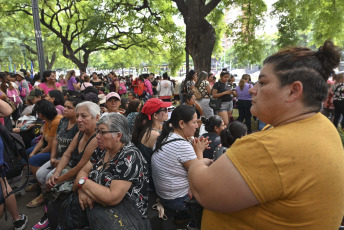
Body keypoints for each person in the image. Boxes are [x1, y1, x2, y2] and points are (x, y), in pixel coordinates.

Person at [187, 40, 344, 229]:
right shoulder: (322, 126)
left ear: (293, 91)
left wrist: (198, 164)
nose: (252, 89)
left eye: (262, 82)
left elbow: (204, 191)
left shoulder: (270, 147)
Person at [70, 113, 149, 229]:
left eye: (102, 132)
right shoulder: (102, 149)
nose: (97, 136)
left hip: (125, 213)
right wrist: (83, 190)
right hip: (98, 206)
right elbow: (83, 171)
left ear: (118, 136)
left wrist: (83, 183)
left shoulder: (129, 156)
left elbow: (112, 197)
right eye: (97, 131)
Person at [43, 101, 99, 230]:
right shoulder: (80, 133)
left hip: (83, 175)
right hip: (72, 170)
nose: (79, 119)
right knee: (49, 179)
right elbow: (67, 154)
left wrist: (57, 180)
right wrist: (57, 173)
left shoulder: (96, 138)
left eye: (84, 116)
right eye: (78, 115)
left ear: (96, 118)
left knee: (54, 193)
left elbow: (80, 167)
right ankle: (50, 218)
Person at [151, 105, 210, 227]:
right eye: (194, 122)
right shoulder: (181, 145)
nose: (197, 126)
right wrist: (199, 151)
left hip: (165, 195)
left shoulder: (164, 136)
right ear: (182, 123)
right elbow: (199, 175)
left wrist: (206, 159)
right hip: (178, 200)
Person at [26, 100, 63, 208]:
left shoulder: (56, 121)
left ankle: (42, 190)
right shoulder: (48, 120)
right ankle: (38, 183)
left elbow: (51, 146)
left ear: (41, 114)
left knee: (34, 159)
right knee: (29, 151)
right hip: (49, 148)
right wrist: (33, 152)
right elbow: (43, 139)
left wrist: (37, 155)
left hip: (55, 152)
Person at [132, 98, 171, 189]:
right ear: (155, 116)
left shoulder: (147, 129)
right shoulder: (154, 135)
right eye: (165, 110)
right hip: (151, 182)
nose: (167, 112)